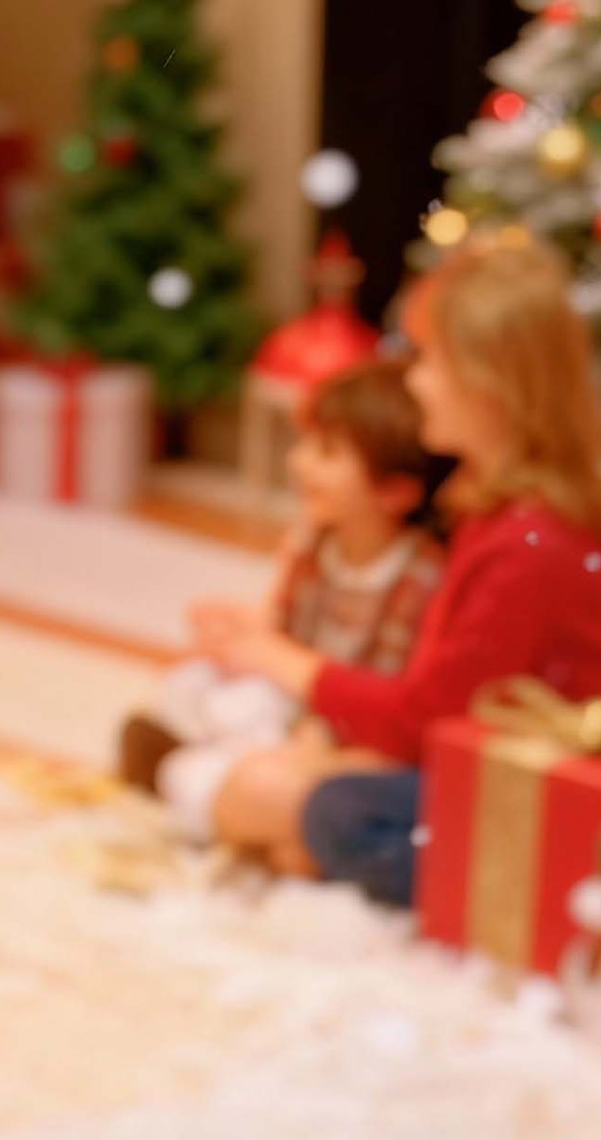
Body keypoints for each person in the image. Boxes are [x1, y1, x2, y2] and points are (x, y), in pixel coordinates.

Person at [195, 239, 601, 905]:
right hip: (497, 762)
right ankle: (306, 839)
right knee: (284, 781)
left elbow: (426, 725)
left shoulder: (532, 542)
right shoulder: (503, 511)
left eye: (429, 361)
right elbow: (444, 703)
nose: (413, 382)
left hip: (563, 799)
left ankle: (322, 846)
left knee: (306, 802)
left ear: (489, 384)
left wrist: (278, 659)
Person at [118, 361, 444, 845]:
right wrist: (237, 633)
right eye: (306, 444)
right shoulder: (316, 543)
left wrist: (309, 722)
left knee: (239, 735)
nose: (299, 462)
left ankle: (205, 779)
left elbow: (384, 692)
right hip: (292, 697)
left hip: (344, 723)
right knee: (193, 686)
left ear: (395, 491)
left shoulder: (417, 577)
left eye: (326, 452)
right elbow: (283, 627)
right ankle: (204, 767)